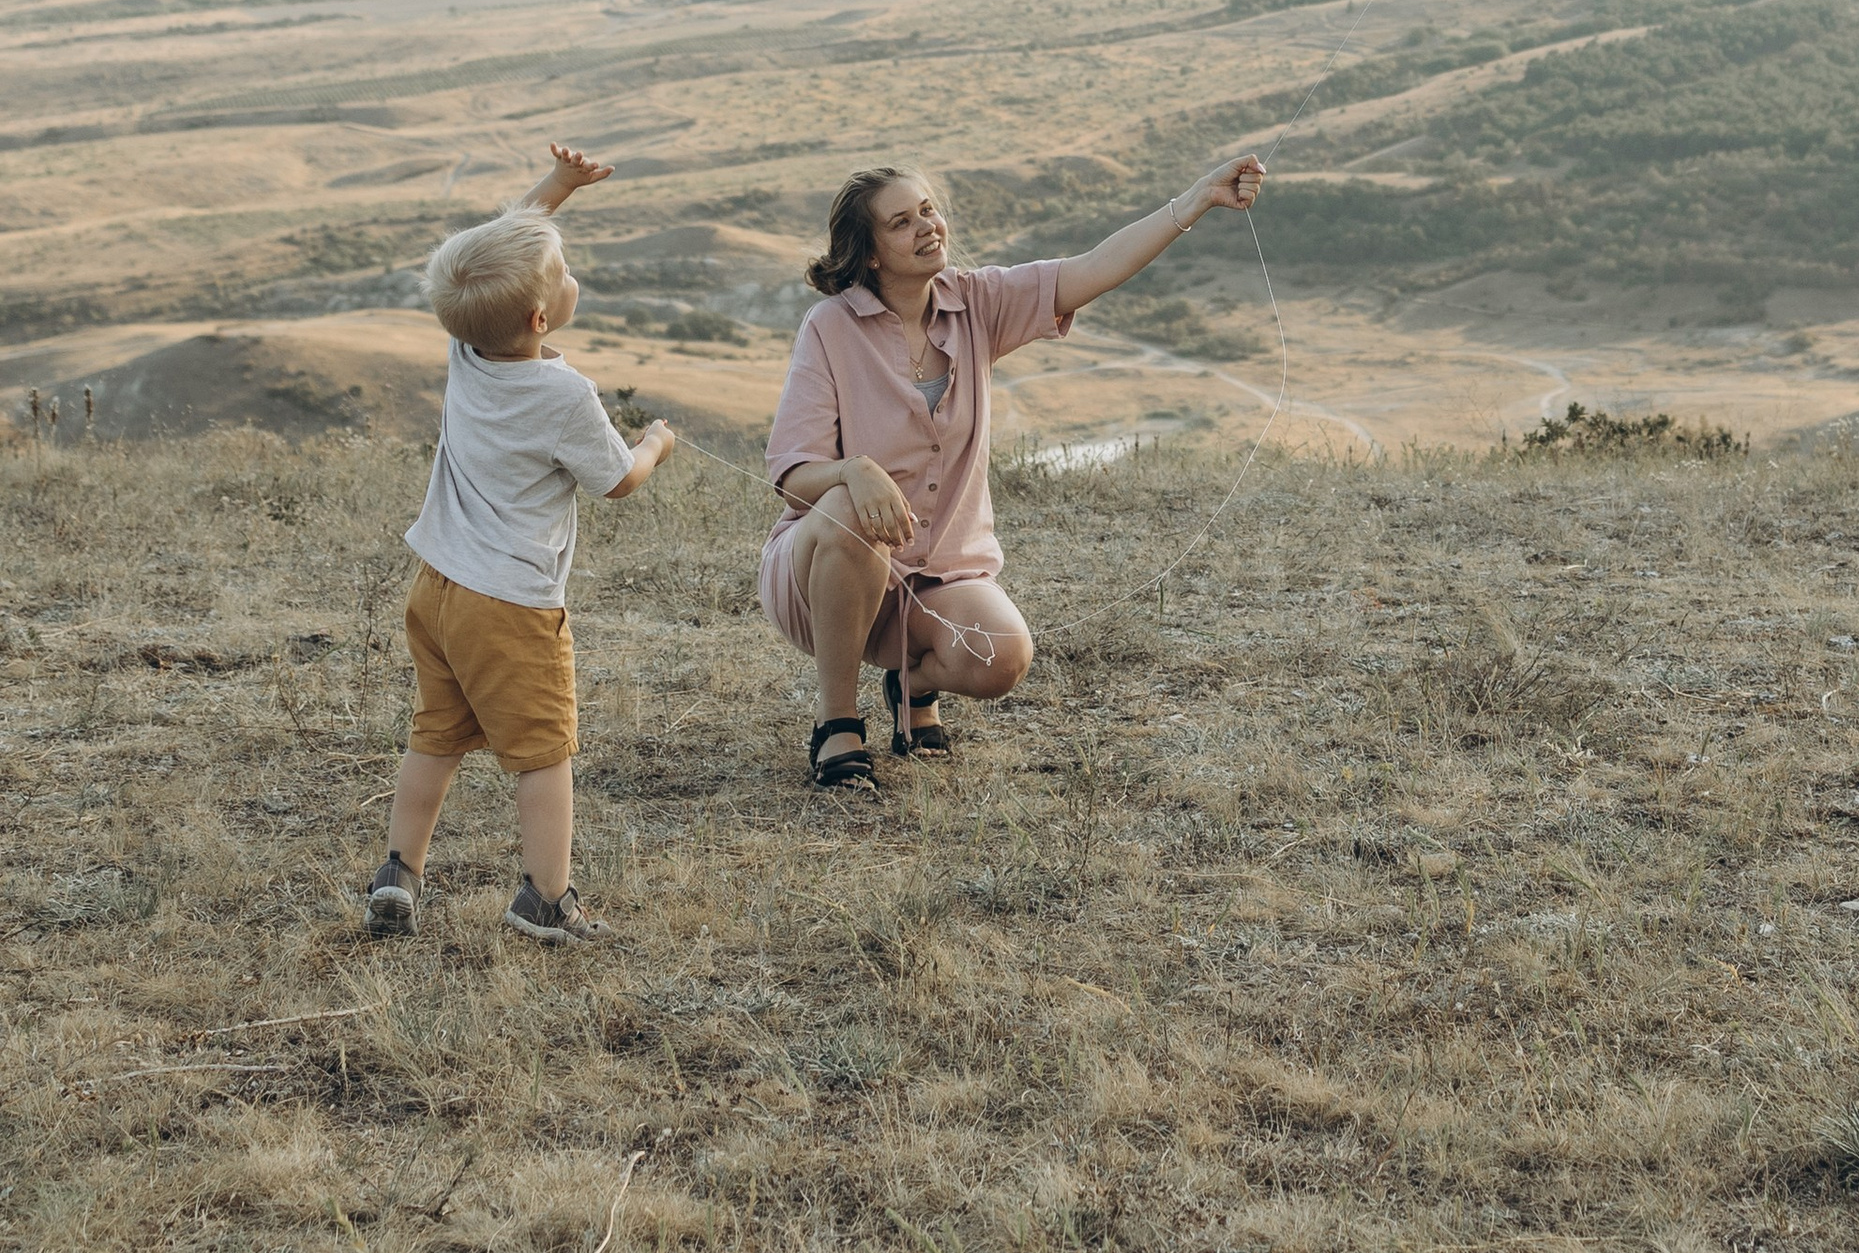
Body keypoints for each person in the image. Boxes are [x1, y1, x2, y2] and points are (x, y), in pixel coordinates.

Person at [760, 152, 1265, 789]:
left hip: (934, 574)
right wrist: (850, 471)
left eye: (928, 210)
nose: (927, 227)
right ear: (868, 254)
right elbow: (791, 474)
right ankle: (837, 724)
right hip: (823, 574)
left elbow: (1092, 270)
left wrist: (1194, 200)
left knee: (1001, 659)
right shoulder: (829, 327)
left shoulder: (976, 302)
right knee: (845, 508)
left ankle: (909, 687)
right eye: (901, 223)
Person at [366, 145, 675, 945]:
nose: (570, 274)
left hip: (435, 588)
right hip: (508, 602)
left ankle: (399, 872)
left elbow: (504, 244)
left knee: (435, 733)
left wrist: (558, 190)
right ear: (542, 319)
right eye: (563, 273)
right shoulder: (563, 393)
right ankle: (547, 899)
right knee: (543, 751)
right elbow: (616, 481)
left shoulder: (466, 348)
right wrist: (655, 447)